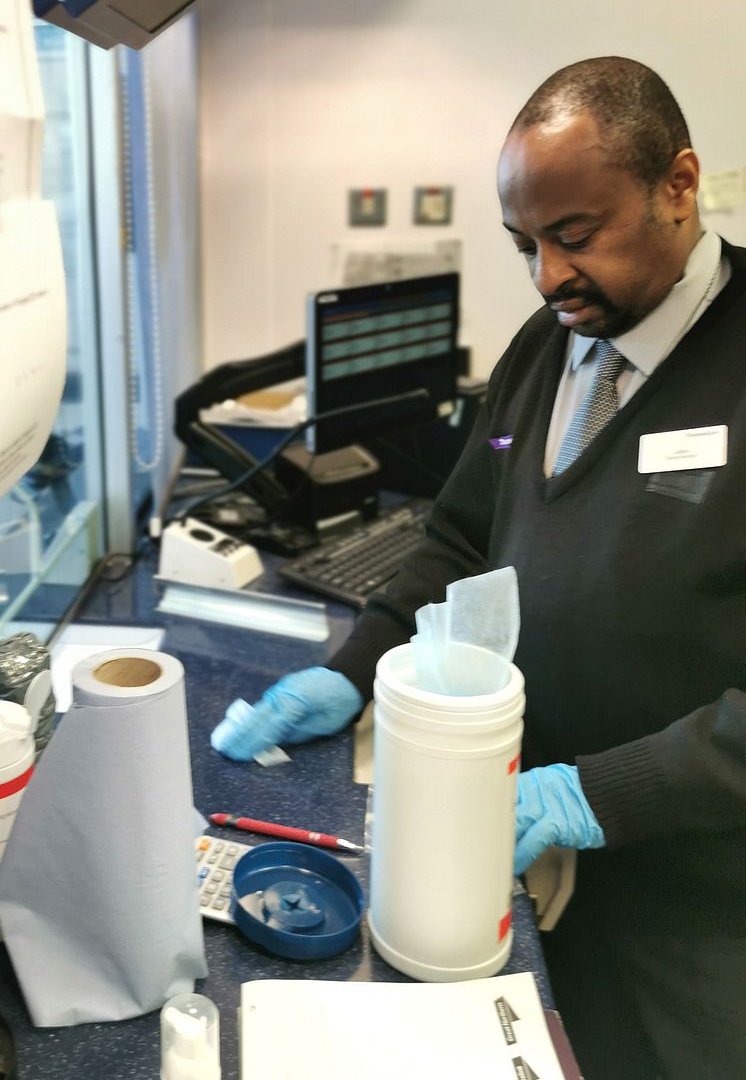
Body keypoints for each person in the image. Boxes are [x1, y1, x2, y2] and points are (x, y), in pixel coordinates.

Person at [211, 57, 746, 1079]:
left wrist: (597, 793)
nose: (547, 277)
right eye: (524, 246)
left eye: (574, 237)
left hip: (694, 906)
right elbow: (463, 532)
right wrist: (356, 662)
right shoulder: (545, 350)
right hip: (531, 858)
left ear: (677, 186)